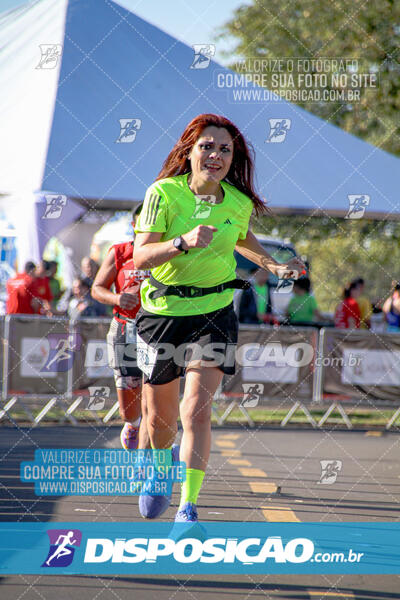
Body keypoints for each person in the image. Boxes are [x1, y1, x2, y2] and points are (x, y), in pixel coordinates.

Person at [133, 113, 305, 524]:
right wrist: (181, 243)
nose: (216, 155)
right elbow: (141, 255)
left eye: (224, 149)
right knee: (160, 420)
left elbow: (242, 237)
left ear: (233, 157)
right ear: (189, 151)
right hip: (163, 314)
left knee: (196, 411)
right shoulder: (164, 194)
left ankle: (188, 507)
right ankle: (159, 470)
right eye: (207, 146)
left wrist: (275, 265)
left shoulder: (238, 202)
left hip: (214, 312)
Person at [91, 204, 150, 451]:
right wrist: (117, 299)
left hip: (158, 331)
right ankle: (134, 426)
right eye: (144, 221)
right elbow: (97, 288)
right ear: (135, 224)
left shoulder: (170, 253)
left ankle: (149, 456)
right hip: (125, 328)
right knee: (130, 401)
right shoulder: (120, 252)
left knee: (156, 395)